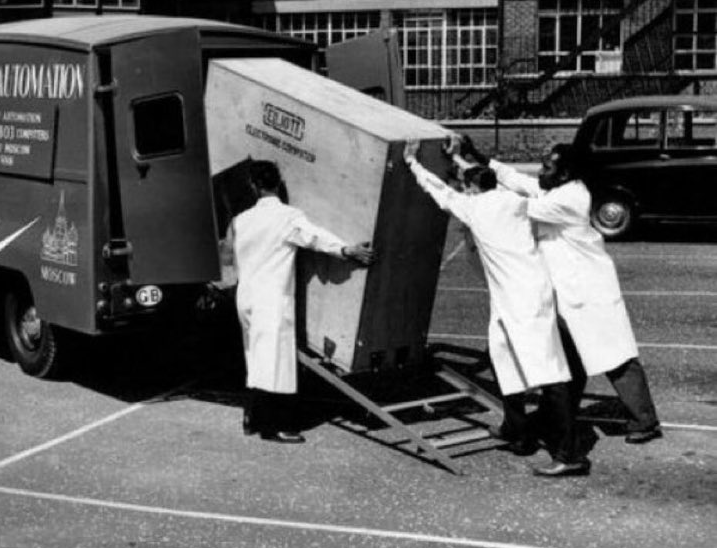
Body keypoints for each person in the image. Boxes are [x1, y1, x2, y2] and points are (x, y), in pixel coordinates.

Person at [404, 140, 589, 477]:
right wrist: (458, 158)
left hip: (523, 300)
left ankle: (569, 453)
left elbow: (441, 192)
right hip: (521, 293)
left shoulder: (475, 208)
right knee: (503, 358)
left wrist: (413, 163)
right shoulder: (514, 200)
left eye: (466, 186)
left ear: (471, 189)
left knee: (548, 371)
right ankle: (516, 431)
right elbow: (491, 179)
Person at [462, 138, 662, 445]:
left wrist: (469, 184)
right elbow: (521, 182)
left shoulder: (569, 199)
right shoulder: (559, 189)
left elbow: (517, 206)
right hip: (568, 292)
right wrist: (480, 159)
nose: (542, 171)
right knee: (567, 360)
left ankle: (644, 420)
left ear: (566, 172)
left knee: (616, 357)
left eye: (548, 166)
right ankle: (551, 416)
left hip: (589, 292)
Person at [224, 160, 374, 443]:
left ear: (253, 187)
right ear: (278, 184)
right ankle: (275, 425)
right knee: (276, 360)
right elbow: (314, 237)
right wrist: (345, 250)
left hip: (246, 295)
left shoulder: (241, 220)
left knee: (254, 356)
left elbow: (230, 256)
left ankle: (252, 418)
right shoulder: (288, 216)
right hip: (271, 296)